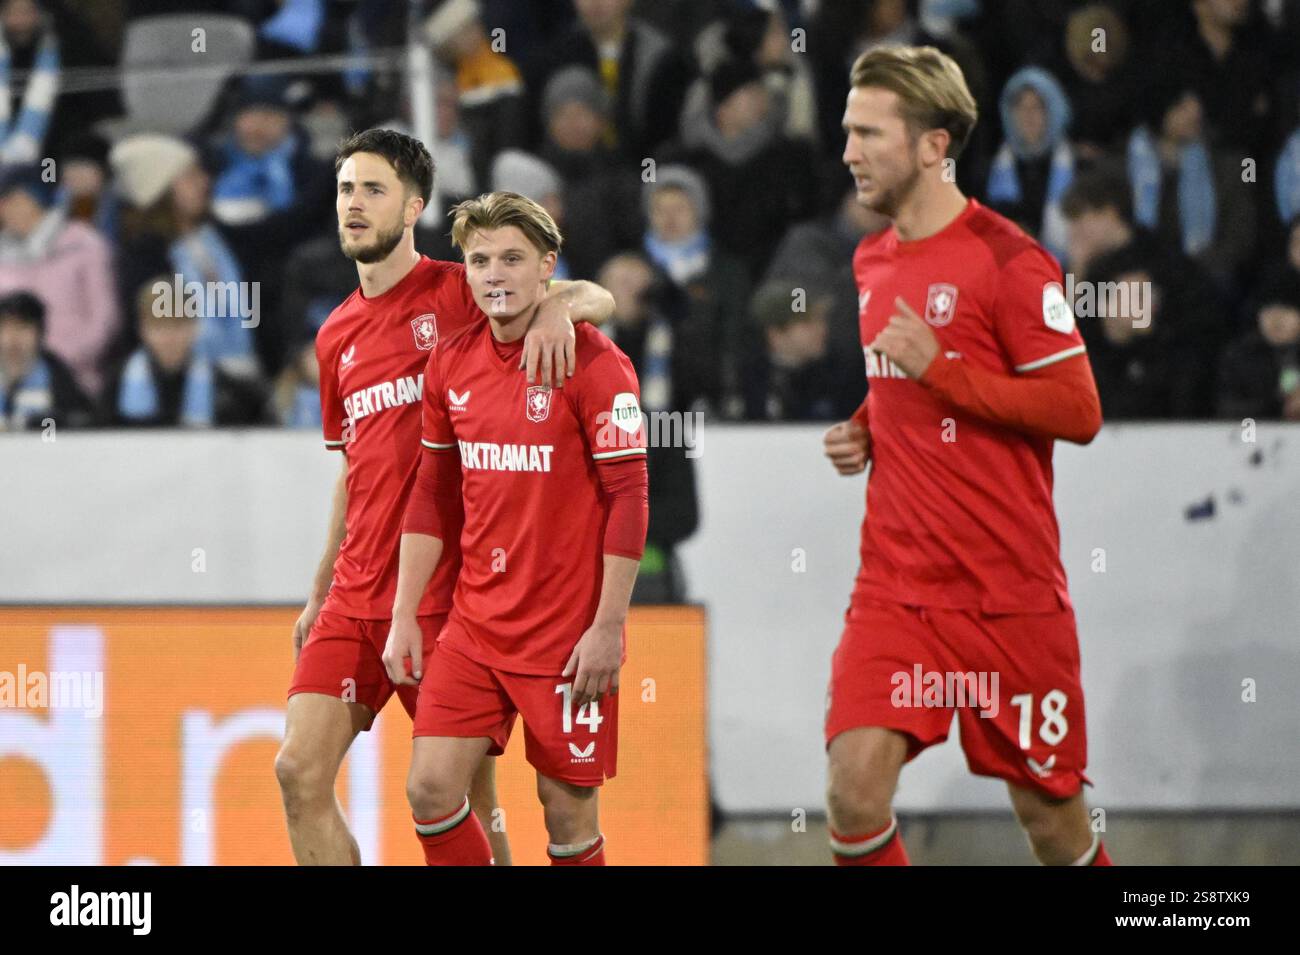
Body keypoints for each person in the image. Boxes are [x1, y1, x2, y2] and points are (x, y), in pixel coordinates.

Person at [274, 129, 615, 866]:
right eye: (344, 189)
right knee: (296, 771)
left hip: (447, 594)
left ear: (415, 205)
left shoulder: (460, 287)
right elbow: (353, 467)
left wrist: (564, 308)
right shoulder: (334, 336)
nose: (354, 205)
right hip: (357, 593)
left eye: (373, 190)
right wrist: (318, 585)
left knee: (462, 800)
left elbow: (594, 293)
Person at [823, 45, 1112, 866]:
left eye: (869, 133)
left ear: (931, 146)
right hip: (898, 586)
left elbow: (1079, 411)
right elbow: (903, 381)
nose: (848, 152)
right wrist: (868, 422)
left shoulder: (1010, 260)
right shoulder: (871, 257)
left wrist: (943, 373)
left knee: (1053, 821)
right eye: (848, 130)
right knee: (852, 789)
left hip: (1006, 594)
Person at [384, 191, 647, 866]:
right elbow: (433, 494)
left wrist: (607, 627)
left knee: (566, 814)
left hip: (566, 636)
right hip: (475, 629)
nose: (494, 273)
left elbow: (629, 498)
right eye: (479, 260)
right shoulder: (450, 362)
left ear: (546, 267)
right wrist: (405, 613)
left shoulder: (595, 364)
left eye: (511, 258)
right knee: (430, 788)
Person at [0, 289, 93, 430]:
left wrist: (29, 423)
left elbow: (79, 419)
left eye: (22, 327)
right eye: (5, 327)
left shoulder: (57, 376)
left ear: (40, 333)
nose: (12, 338)